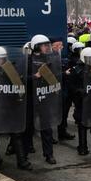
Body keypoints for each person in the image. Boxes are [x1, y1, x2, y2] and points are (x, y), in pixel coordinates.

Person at [0, 46, 32, 171]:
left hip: (9, 106)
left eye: (3, 59)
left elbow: (20, 87)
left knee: (16, 133)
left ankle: (22, 161)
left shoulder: (11, 70)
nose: (2, 61)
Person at [27, 34, 62, 165]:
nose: (47, 48)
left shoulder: (50, 60)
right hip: (31, 99)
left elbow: (55, 76)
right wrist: (35, 76)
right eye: (44, 45)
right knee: (28, 127)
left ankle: (49, 154)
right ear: (36, 47)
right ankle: (24, 154)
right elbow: (22, 80)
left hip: (45, 97)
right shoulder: (28, 61)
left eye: (47, 45)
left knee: (47, 128)